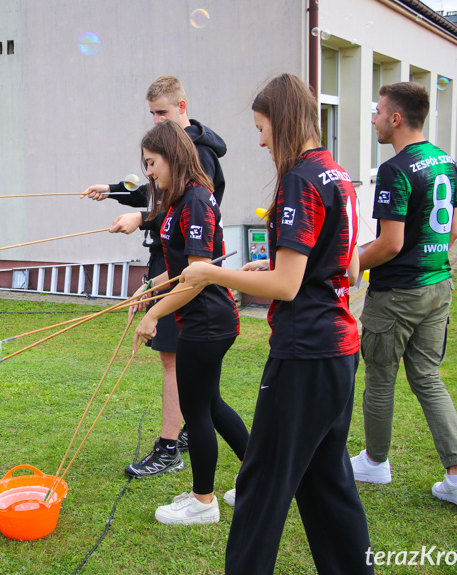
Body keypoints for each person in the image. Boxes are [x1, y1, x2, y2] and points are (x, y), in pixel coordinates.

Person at [181, 73, 372, 573]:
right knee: (327, 481)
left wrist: (209, 271)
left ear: (283, 122)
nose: (261, 140)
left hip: (305, 354)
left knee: (261, 485)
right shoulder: (336, 173)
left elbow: (289, 287)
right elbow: (345, 263)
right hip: (339, 352)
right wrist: (269, 264)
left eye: (262, 128)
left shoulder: (299, 179)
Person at [82, 75, 228, 478]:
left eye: (163, 112)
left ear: (183, 107)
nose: (157, 120)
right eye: (152, 114)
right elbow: (153, 188)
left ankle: (170, 445)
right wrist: (113, 190)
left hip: (184, 273)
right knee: (196, 384)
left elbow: (182, 207)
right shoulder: (168, 155)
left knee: (176, 363)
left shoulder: (200, 161)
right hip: (167, 267)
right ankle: (186, 433)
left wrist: (142, 217)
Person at [351, 82, 457, 508]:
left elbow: (388, 244)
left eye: (377, 112)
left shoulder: (396, 169)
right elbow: (454, 230)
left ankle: (375, 461)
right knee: (427, 378)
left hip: (397, 295)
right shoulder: (447, 163)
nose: (372, 121)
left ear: (396, 118)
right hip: (438, 285)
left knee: (381, 379)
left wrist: (350, 263)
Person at [132, 119, 248, 525]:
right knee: (211, 405)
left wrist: (153, 314)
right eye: (145, 165)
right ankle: (258, 477)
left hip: (207, 321)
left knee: (197, 410)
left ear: (172, 156)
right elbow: (182, 268)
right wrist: (149, 287)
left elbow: (197, 278)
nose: (149, 172)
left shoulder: (197, 200)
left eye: (152, 162)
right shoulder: (181, 199)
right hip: (203, 319)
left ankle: (203, 503)